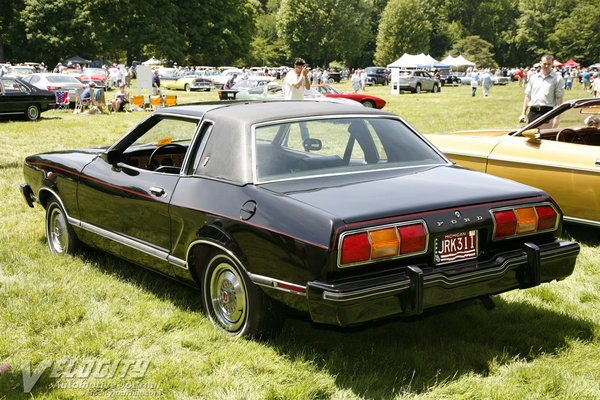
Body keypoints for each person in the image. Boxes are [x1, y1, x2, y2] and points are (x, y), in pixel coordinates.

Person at [519, 54, 564, 125]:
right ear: (540, 63)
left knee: (545, 135)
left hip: (548, 112)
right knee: (532, 135)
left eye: (549, 64)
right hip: (533, 113)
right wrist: (523, 113)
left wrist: (556, 117)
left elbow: (559, 99)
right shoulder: (533, 78)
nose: (546, 66)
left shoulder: (557, 79)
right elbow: (528, 96)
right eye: (544, 64)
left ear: (552, 64)